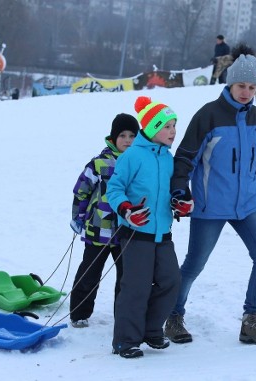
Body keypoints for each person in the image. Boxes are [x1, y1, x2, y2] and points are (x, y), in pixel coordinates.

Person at [165, 44, 256, 346]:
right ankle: (173, 316)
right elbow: (185, 158)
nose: (247, 92)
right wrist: (181, 191)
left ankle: (251, 320)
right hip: (210, 205)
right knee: (195, 263)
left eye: (252, 87)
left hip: (247, 205)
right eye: (242, 85)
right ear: (230, 83)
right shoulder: (209, 115)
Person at [107, 96, 188, 359]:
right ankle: (125, 341)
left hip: (163, 233)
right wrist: (126, 210)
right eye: (167, 126)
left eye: (174, 125)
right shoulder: (132, 156)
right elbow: (114, 188)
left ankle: (152, 330)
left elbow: (170, 192)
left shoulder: (168, 158)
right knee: (136, 287)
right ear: (153, 128)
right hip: (135, 234)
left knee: (171, 281)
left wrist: (179, 203)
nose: (173, 131)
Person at [69, 113, 140, 328]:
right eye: (122, 135)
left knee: (125, 277)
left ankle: (123, 315)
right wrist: (79, 217)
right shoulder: (99, 164)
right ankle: (79, 313)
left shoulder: (138, 163)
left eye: (132, 135)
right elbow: (81, 191)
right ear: (113, 138)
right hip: (98, 230)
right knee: (89, 273)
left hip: (126, 232)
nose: (127, 140)